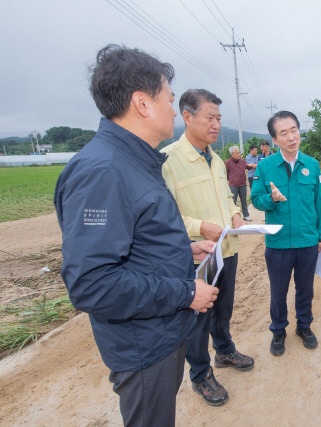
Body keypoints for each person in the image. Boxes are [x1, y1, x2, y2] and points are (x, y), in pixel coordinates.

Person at [54, 45, 218, 426]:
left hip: (159, 332)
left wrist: (182, 248)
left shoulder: (134, 161)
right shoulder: (102, 171)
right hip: (143, 344)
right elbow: (92, 283)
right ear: (142, 103)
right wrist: (187, 292)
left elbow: (135, 238)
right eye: (169, 99)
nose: (173, 110)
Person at [161, 89, 254, 407]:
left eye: (219, 118)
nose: (216, 124)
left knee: (223, 307)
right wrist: (200, 227)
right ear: (187, 117)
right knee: (198, 316)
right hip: (197, 255)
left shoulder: (216, 160)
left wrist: (235, 213)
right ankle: (201, 375)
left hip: (227, 248)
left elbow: (227, 197)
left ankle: (225, 351)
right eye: (209, 117)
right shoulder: (169, 161)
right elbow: (165, 215)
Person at [251, 111, 321, 356]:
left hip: (307, 240)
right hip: (278, 242)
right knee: (279, 291)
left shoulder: (312, 164)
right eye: (283, 133)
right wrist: (270, 199)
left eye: (294, 129)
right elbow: (256, 199)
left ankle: (304, 326)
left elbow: (320, 203)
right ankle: (278, 331)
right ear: (275, 139)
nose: (291, 136)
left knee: (305, 288)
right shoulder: (265, 166)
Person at [225, 145, 254, 221]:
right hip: (233, 185)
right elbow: (225, 173)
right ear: (232, 154)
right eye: (237, 153)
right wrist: (231, 179)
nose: (239, 154)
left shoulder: (242, 161)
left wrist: (254, 165)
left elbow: (249, 167)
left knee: (243, 201)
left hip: (243, 184)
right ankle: (233, 217)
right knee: (233, 201)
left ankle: (246, 215)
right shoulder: (227, 163)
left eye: (239, 153)